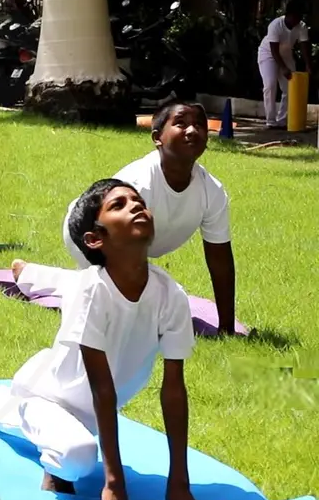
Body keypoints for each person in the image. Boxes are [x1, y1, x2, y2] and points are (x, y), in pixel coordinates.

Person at [0, 179, 201, 500]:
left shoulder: (171, 295)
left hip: (93, 409)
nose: (135, 206)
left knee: (73, 437)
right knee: (75, 456)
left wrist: (179, 485)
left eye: (138, 201)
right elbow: (102, 387)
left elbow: (174, 390)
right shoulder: (90, 289)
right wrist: (113, 482)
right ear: (94, 240)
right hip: (49, 393)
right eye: (118, 205)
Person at [14, 101, 237, 334]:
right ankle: (37, 276)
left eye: (199, 125)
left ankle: (49, 275)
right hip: (89, 235)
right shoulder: (139, 184)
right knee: (135, 306)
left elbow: (220, 260)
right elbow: (113, 244)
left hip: (131, 247)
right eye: (181, 124)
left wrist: (227, 328)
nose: (192, 130)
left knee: (159, 301)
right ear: (157, 137)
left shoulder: (212, 192)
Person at [257, 1, 312, 129]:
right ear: (288, 15)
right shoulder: (275, 25)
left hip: (286, 55)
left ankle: (282, 120)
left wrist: (308, 64)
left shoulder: (301, 26)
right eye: (296, 16)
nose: (297, 20)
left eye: (300, 17)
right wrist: (283, 67)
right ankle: (271, 121)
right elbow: (274, 50)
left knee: (290, 87)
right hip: (268, 54)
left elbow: (304, 46)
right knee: (270, 85)